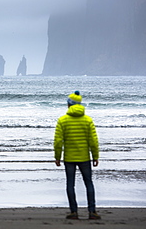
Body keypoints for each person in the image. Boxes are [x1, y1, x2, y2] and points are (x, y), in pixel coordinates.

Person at [54, 91, 101, 220]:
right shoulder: (88, 120)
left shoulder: (62, 120)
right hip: (85, 157)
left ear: (69, 104)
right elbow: (93, 141)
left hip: (69, 158)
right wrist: (95, 156)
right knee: (89, 183)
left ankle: (74, 212)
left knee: (70, 184)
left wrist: (57, 157)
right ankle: (92, 212)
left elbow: (58, 141)